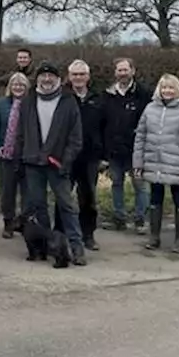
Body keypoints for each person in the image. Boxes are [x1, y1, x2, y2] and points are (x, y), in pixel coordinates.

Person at [16, 63, 87, 265]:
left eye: (51, 76)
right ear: (37, 79)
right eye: (43, 76)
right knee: (38, 207)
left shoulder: (68, 102)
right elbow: (20, 134)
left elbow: (76, 138)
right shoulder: (28, 101)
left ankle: (76, 247)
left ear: (58, 79)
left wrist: (66, 160)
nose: (47, 80)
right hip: (33, 163)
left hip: (58, 164)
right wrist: (20, 157)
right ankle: (48, 246)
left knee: (67, 206)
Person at [133, 74, 179, 254]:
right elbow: (140, 137)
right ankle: (154, 237)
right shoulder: (149, 109)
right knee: (155, 199)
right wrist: (138, 163)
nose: (167, 91)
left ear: (177, 89)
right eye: (164, 88)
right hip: (154, 163)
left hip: (177, 164)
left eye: (171, 88)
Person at [101, 57, 153, 233]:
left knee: (141, 186)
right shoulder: (107, 94)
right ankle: (119, 219)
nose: (122, 73)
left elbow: (149, 120)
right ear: (115, 73)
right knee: (116, 184)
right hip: (114, 150)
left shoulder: (144, 93)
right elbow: (102, 121)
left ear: (133, 71)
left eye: (125, 70)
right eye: (119, 70)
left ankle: (140, 220)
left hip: (136, 150)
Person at [64, 60, 106, 251]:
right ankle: (62, 232)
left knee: (88, 198)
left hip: (90, 156)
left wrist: (103, 154)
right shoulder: (63, 98)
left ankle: (88, 235)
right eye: (75, 74)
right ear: (69, 76)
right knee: (63, 197)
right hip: (67, 155)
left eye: (82, 74)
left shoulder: (98, 98)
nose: (78, 78)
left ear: (88, 77)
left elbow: (106, 127)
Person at [0, 72, 31, 239]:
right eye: (15, 85)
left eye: (21, 85)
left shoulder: (31, 104)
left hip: (27, 156)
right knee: (8, 192)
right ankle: (8, 223)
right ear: (10, 87)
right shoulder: (1, 104)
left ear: (26, 88)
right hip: (7, 155)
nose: (18, 88)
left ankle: (25, 223)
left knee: (28, 193)